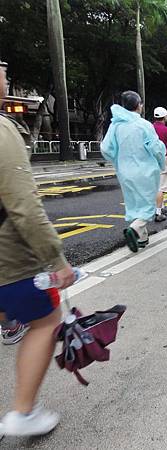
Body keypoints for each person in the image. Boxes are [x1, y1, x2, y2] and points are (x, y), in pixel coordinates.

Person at [0, 65, 76, 436]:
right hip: (8, 261)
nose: (4, 75)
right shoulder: (2, 132)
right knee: (46, 322)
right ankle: (23, 413)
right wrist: (55, 259)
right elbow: (25, 207)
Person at [101, 91, 166, 253]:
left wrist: (118, 160)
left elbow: (106, 148)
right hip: (145, 170)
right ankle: (135, 229)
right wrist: (162, 162)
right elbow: (156, 148)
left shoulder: (115, 125)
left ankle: (142, 239)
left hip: (124, 171)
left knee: (135, 204)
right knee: (148, 206)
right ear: (138, 105)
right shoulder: (144, 125)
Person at [152, 106, 167, 222]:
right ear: (164, 117)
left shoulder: (149, 128)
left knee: (154, 186)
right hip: (163, 160)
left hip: (149, 161)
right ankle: (158, 212)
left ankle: (161, 206)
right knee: (161, 187)